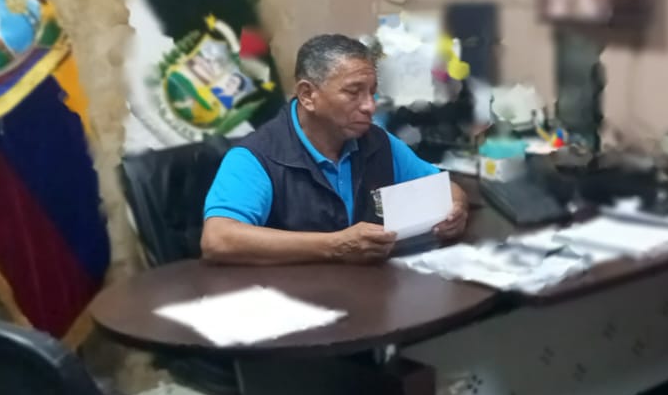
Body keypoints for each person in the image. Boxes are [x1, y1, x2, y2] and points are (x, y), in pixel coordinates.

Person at [201, 34, 469, 265]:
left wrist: (456, 209)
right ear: (307, 95)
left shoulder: (376, 141)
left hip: (365, 294)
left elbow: (446, 187)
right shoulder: (256, 156)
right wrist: (335, 245)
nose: (369, 106)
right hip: (289, 298)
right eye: (354, 92)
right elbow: (218, 239)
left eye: (372, 92)